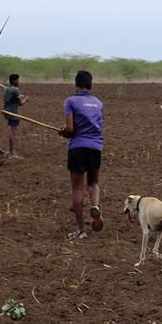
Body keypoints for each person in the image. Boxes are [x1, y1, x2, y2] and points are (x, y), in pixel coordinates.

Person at [58, 70, 104, 239]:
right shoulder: (98, 103)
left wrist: (64, 133)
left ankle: (81, 230)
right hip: (95, 147)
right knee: (93, 183)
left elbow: (71, 130)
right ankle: (96, 205)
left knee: (77, 189)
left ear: (76, 85)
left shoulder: (70, 101)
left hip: (78, 147)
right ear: (90, 85)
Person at [2, 74, 29, 159]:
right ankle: (12, 153)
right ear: (13, 81)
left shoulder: (7, 89)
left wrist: (18, 96)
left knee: (11, 131)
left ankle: (12, 151)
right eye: (17, 80)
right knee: (12, 133)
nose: (18, 82)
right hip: (13, 113)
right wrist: (26, 99)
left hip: (7, 112)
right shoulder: (15, 90)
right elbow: (20, 103)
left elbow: (11, 98)